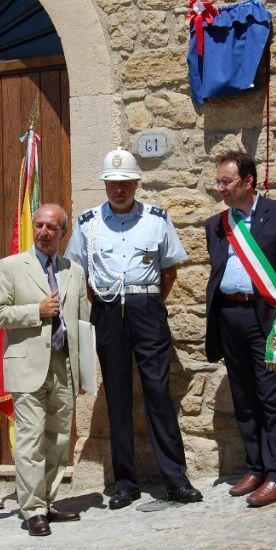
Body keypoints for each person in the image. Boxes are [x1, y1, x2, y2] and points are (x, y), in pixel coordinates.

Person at [64, 148, 201, 508]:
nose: (118, 190)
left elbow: (169, 271)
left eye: (125, 183)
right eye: (112, 183)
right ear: (105, 185)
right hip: (108, 310)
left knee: (158, 392)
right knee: (118, 396)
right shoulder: (87, 223)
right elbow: (77, 274)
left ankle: (175, 478)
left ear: (136, 183)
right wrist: (106, 303)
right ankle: (125, 482)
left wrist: (150, 303)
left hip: (146, 306)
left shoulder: (157, 219)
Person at [204, 153, 276, 507]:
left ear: (248, 181)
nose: (220, 188)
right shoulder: (216, 224)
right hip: (229, 317)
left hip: (267, 318)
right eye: (219, 181)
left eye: (226, 182)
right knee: (244, 397)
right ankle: (255, 466)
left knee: (273, 396)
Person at [0, 204, 90, 536]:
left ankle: (47, 501)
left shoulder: (74, 270)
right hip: (28, 366)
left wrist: (85, 371)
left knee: (58, 439)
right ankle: (31, 510)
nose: (44, 232)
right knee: (31, 440)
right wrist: (37, 311)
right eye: (39, 226)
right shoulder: (11, 266)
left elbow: (83, 323)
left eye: (51, 227)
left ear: (63, 232)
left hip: (64, 366)